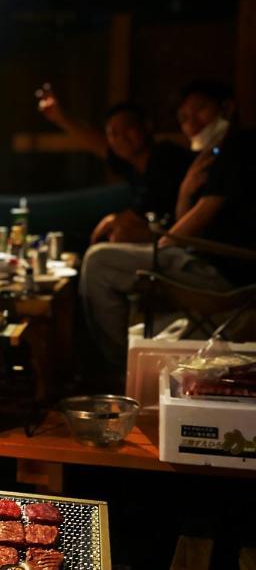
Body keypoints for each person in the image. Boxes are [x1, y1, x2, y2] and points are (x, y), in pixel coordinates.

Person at [79, 80, 256, 372]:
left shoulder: (241, 147)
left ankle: (119, 366)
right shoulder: (211, 157)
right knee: (104, 258)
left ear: (227, 108)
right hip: (200, 258)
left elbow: (200, 217)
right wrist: (186, 190)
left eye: (200, 110)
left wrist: (163, 243)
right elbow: (188, 219)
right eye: (184, 118)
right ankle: (125, 363)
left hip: (226, 270)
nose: (192, 123)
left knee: (99, 261)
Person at [37, 86, 192, 242]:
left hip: (185, 238)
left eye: (128, 128)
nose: (121, 138)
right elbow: (96, 144)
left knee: (119, 235)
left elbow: (147, 209)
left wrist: (113, 220)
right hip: (163, 236)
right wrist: (59, 117)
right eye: (114, 134)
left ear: (146, 126)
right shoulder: (131, 163)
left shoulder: (164, 155)